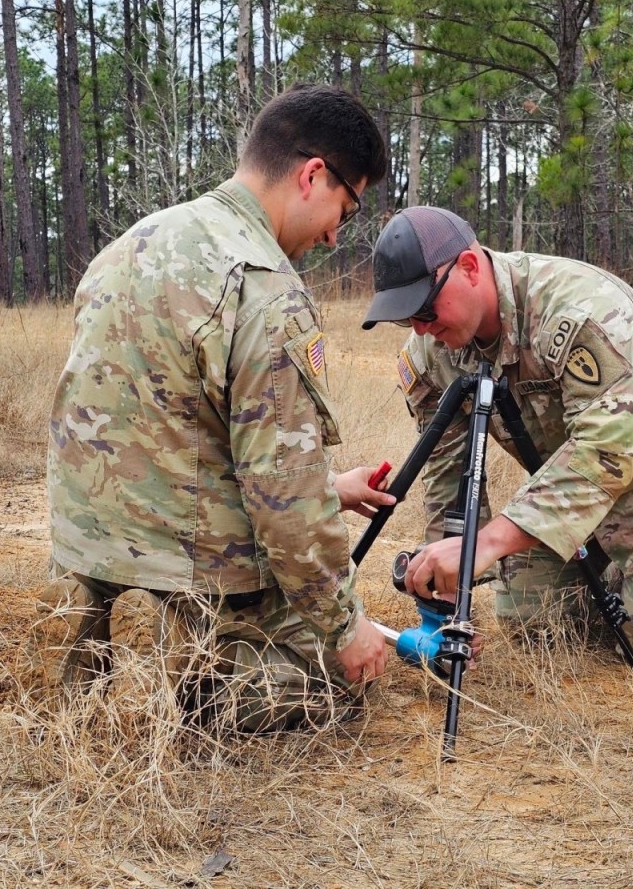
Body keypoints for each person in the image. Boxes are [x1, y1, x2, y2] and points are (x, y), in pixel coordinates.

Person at [32, 84, 395, 731]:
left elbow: (164, 430)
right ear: (313, 175)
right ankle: (180, 685)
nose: (338, 234)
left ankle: (107, 642)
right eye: (347, 206)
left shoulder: (134, 243)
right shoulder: (264, 287)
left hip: (85, 555)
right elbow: (282, 501)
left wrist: (328, 486)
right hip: (189, 578)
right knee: (331, 681)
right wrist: (346, 627)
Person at [361, 206, 633, 662]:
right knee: (533, 624)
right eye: (406, 318)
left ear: (469, 268)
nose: (422, 330)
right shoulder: (433, 354)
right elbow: (448, 473)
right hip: (579, 494)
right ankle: (625, 568)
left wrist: (488, 544)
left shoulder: (577, 310)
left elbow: (604, 451)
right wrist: (447, 584)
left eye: (427, 309)